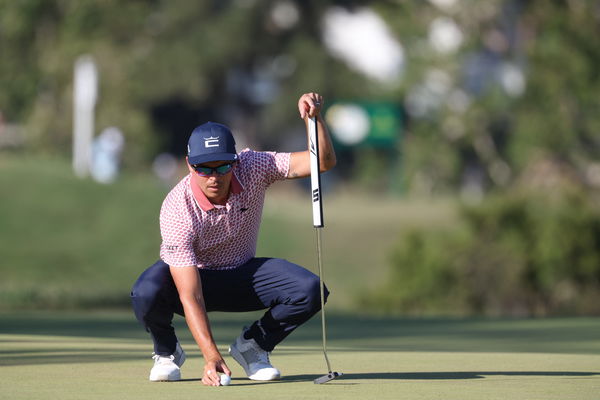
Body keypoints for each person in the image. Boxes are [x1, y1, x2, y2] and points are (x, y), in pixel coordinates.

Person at [131, 92, 336, 386]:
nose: (214, 176)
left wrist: (314, 121)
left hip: (242, 274)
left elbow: (321, 163)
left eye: (223, 166)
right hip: (193, 277)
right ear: (190, 165)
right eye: (204, 168)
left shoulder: (254, 166)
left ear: (235, 161)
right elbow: (191, 295)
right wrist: (210, 355)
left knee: (309, 288)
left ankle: (253, 346)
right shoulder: (178, 208)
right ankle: (167, 352)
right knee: (146, 292)